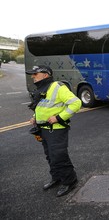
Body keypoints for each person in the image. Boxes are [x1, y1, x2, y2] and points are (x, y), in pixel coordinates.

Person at [26, 65, 82, 197]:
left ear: (46, 75)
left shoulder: (57, 86)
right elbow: (43, 107)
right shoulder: (41, 88)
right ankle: (57, 177)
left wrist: (58, 117)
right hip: (44, 129)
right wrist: (35, 117)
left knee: (59, 156)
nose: (33, 76)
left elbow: (76, 103)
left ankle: (70, 181)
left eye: (36, 74)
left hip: (56, 130)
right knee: (50, 156)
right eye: (32, 74)